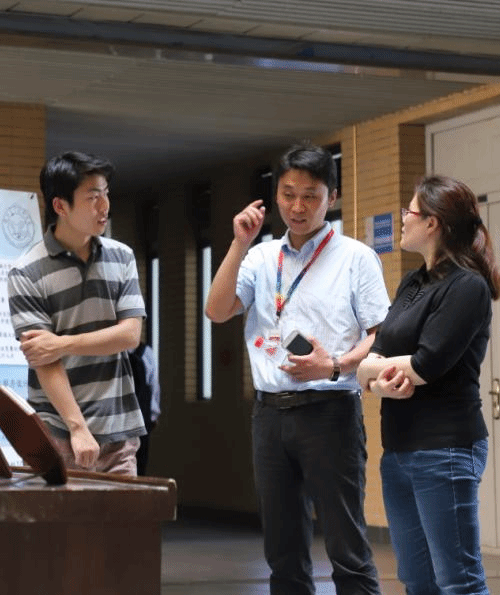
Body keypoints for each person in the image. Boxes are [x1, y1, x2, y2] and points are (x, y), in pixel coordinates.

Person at [205, 143, 389, 595]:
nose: (298, 207)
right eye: (288, 195)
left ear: (332, 197)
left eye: (310, 196)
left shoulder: (355, 257)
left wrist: (335, 365)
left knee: (346, 548)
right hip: (269, 415)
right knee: (283, 553)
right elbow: (217, 309)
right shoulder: (260, 257)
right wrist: (239, 243)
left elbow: (381, 335)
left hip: (331, 413)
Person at [357, 175, 500, 595]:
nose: (403, 219)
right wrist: (378, 380)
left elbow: (427, 364)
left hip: (445, 449)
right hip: (399, 451)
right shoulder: (412, 282)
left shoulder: (467, 286)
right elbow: (371, 360)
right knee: (417, 580)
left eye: (410, 211)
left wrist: (376, 373)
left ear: (433, 223)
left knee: (458, 580)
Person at [7, 151, 146, 476]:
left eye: (106, 193)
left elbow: (129, 335)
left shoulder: (122, 257)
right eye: (93, 197)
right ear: (60, 206)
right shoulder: (26, 272)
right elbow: (44, 359)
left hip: (119, 432)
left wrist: (62, 343)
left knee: (127, 512)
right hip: (58, 433)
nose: (105, 206)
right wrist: (77, 427)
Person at [128, 340, 161, 475]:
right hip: (142, 418)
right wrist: (153, 416)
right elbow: (154, 387)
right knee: (139, 465)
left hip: (118, 419)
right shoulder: (146, 353)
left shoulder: (113, 352)